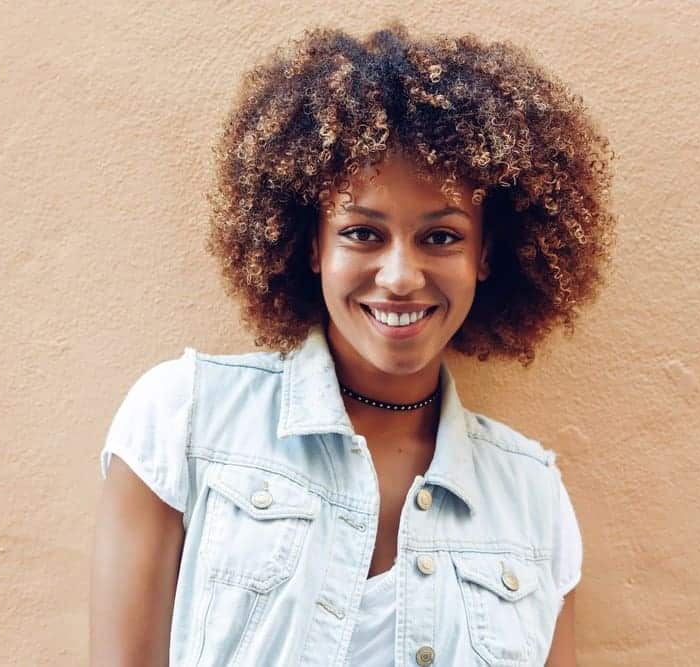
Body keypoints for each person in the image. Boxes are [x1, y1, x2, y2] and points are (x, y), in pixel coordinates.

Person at [90, 22, 615, 667]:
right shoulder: (187, 421)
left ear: (487, 255)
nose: (399, 277)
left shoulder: (532, 497)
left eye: (442, 237)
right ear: (312, 244)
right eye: (363, 233)